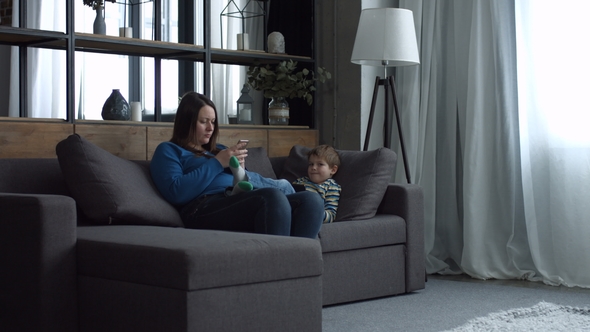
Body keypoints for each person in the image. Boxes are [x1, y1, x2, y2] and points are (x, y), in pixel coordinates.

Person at [149, 91, 324, 239]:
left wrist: (239, 169)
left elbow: (243, 187)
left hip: (234, 198)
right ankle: (277, 269)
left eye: (213, 121)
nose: (211, 128)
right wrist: (217, 163)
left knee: (311, 200)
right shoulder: (169, 150)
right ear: (186, 122)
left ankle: (300, 266)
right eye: (204, 122)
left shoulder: (220, 150)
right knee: (271, 196)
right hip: (201, 208)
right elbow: (176, 192)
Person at [292, 145, 342, 223]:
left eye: (320, 164)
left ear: (333, 169)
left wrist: (313, 211)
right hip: (290, 210)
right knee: (283, 186)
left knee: (283, 184)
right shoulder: (301, 181)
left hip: (307, 215)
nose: (314, 168)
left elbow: (331, 216)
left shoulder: (331, 186)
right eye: (311, 164)